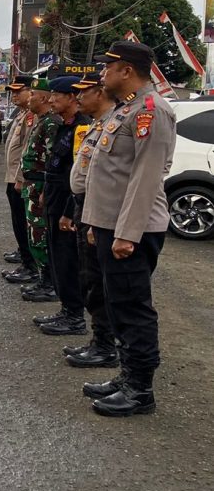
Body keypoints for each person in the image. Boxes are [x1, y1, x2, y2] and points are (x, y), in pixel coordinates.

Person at [80, 40, 176, 416]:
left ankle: (140, 389)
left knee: (133, 307)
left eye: (107, 67)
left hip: (133, 228)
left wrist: (126, 233)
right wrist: (96, 224)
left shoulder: (152, 111)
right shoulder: (126, 110)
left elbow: (145, 178)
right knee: (116, 303)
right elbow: (106, 174)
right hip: (111, 225)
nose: (102, 73)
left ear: (127, 71)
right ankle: (126, 374)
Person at [63, 71, 119, 368]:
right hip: (84, 205)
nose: (79, 97)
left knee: (98, 280)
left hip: (98, 208)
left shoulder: (115, 122)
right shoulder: (98, 124)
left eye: (84, 92)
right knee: (89, 277)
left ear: (100, 92)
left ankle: (106, 346)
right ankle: (99, 341)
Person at [36, 76, 91, 336]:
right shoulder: (63, 126)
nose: (52, 99)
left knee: (68, 259)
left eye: (57, 95)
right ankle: (65, 309)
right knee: (57, 256)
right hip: (55, 195)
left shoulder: (82, 127)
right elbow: (55, 165)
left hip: (68, 200)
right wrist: (46, 193)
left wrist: (69, 210)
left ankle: (75, 316)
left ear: (72, 97)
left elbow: (78, 173)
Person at [18, 78, 59, 302]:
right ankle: (44, 278)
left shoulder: (52, 122)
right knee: (34, 234)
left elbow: (53, 159)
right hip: (32, 184)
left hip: (41, 184)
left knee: (40, 235)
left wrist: (47, 188)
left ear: (43, 97)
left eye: (33, 94)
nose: (29, 97)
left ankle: (50, 283)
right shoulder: (41, 120)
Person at [1, 77, 37, 283]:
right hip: (13, 176)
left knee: (23, 222)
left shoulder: (32, 116)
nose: (14, 95)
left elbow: (28, 150)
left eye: (18, 91)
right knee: (18, 221)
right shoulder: (22, 114)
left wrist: (20, 177)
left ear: (31, 91)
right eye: (12, 91)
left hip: (19, 178)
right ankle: (23, 254)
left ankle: (29, 264)